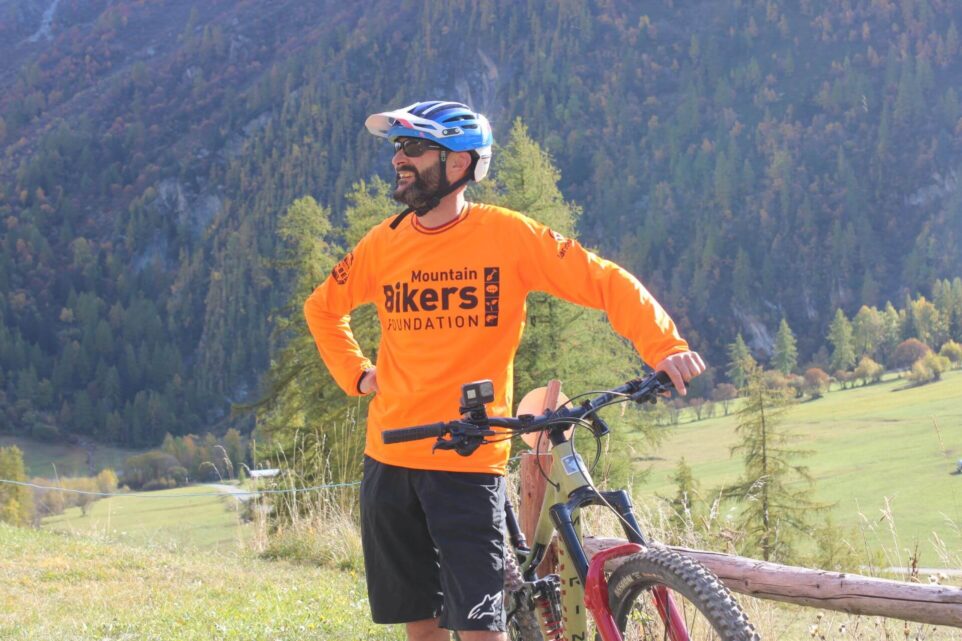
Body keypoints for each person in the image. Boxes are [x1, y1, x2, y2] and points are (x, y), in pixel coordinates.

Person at [304, 100, 705, 641]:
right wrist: (357, 373)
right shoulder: (384, 242)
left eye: (415, 148)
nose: (400, 159)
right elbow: (323, 309)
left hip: (467, 461)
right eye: (398, 147)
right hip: (390, 455)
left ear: (459, 164)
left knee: (480, 629)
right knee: (419, 623)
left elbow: (602, 279)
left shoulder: (508, 236)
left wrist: (665, 346)